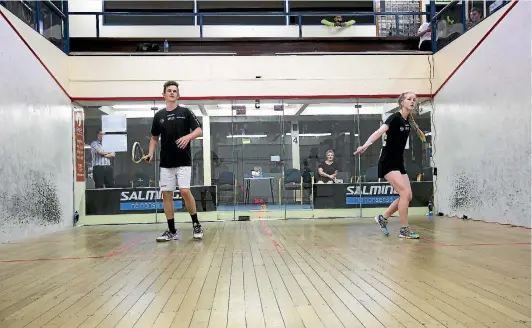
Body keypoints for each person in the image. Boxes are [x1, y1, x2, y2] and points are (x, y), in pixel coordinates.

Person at [354, 92, 426, 239]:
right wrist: (365, 145)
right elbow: (379, 132)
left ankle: (383, 218)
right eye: (409, 99)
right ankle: (404, 230)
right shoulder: (395, 117)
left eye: (414, 100)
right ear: (402, 102)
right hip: (387, 162)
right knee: (404, 194)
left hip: (398, 162)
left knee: (408, 195)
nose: (412, 102)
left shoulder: (407, 121)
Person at [147, 80, 204, 241]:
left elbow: (199, 130)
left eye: (175, 91)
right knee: (166, 194)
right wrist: (151, 153)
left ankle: (196, 224)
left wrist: (188, 136)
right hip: (166, 163)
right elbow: (153, 138)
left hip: (183, 161)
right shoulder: (159, 116)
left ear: (178, 95)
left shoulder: (185, 112)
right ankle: (172, 231)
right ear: (163, 95)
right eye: (169, 90)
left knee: (185, 191)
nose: (172, 93)